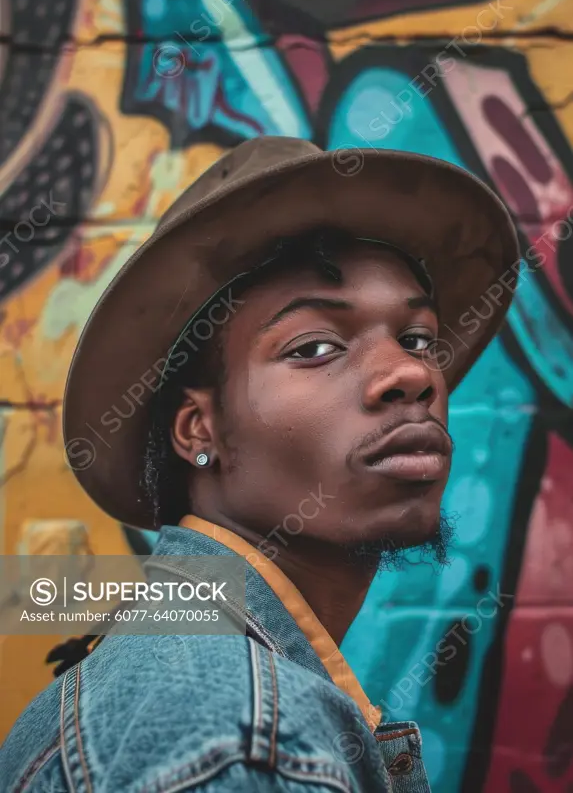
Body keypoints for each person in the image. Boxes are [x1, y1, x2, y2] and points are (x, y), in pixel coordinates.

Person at [0, 137, 519, 791]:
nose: (411, 374)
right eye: (314, 347)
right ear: (198, 430)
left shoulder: (183, 684)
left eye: (416, 338)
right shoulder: (237, 738)